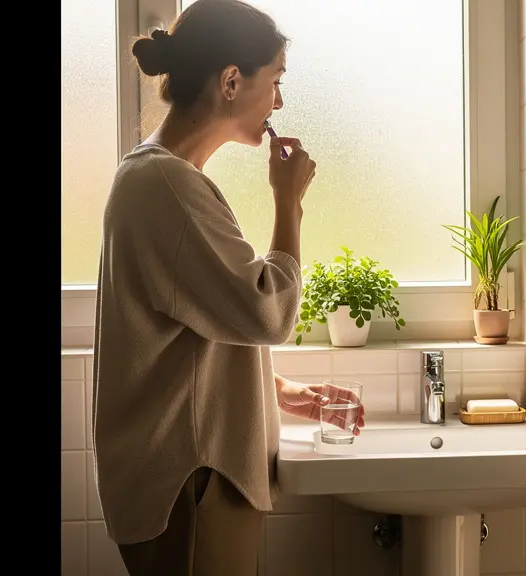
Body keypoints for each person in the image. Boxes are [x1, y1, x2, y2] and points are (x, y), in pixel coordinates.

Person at [91, 1, 364, 574]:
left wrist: (277, 389)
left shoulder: (153, 176)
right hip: (190, 480)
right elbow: (269, 313)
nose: (280, 102)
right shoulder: (166, 185)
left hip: (186, 474)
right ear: (232, 81)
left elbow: (186, 333)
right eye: (277, 80)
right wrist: (289, 200)